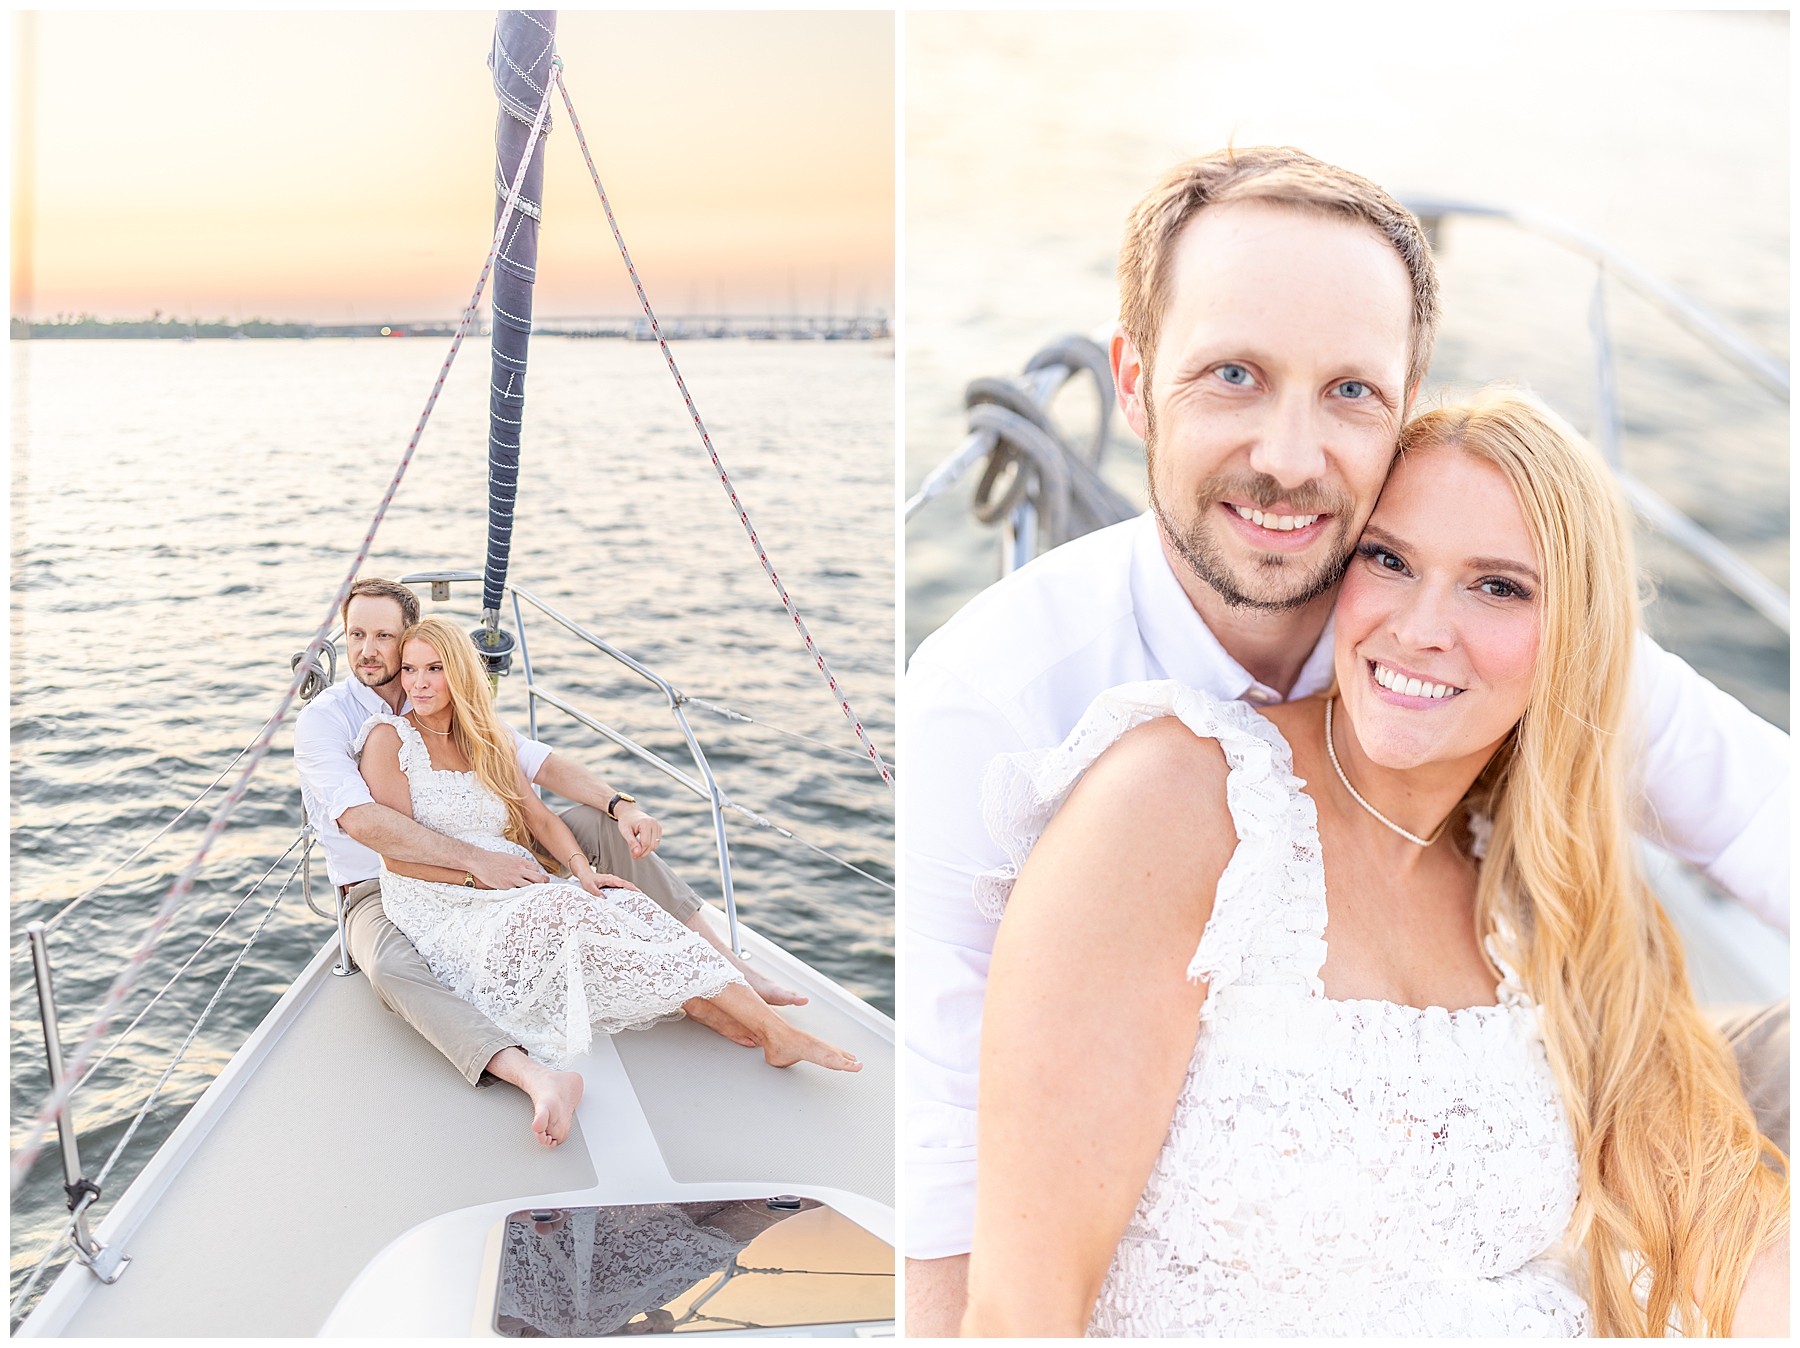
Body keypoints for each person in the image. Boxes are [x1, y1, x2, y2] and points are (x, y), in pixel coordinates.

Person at [902, 147, 1790, 1331]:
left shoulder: (1435, 604)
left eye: (1349, 393)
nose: (1287, 457)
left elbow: (1749, 805)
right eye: (1232, 374)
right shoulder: (995, 702)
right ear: (1132, 381)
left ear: (1403, 409)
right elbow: (950, 1152)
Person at [294, 577, 807, 1150]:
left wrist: (621, 803)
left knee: (597, 828)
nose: (367, 649)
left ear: (411, 641)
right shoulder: (327, 719)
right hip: (379, 884)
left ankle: (729, 967)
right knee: (389, 968)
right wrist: (475, 862)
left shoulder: (450, 698)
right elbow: (365, 824)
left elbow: (541, 767)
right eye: (356, 633)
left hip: (494, 857)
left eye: (384, 635)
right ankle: (530, 1074)